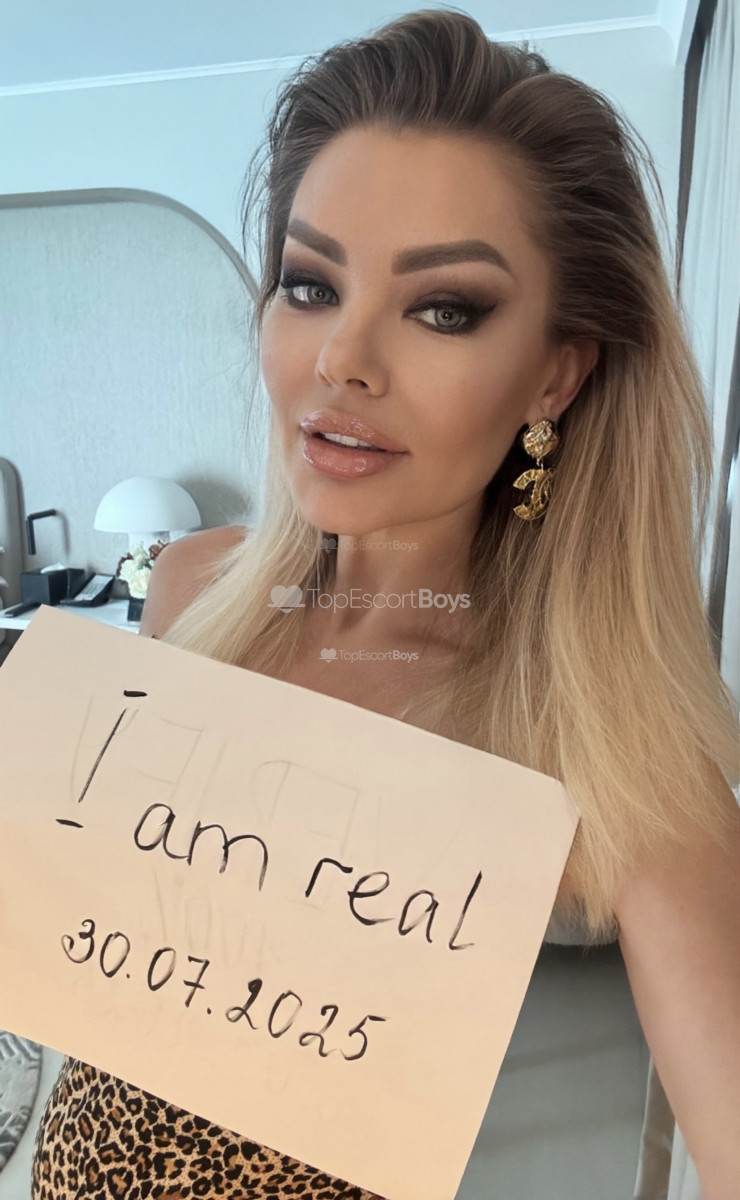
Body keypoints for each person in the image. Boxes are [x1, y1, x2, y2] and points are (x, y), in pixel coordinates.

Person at [32, 8, 739, 1199]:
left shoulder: (604, 741)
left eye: (442, 308)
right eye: (309, 285)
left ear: (556, 372)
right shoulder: (190, 589)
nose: (340, 360)